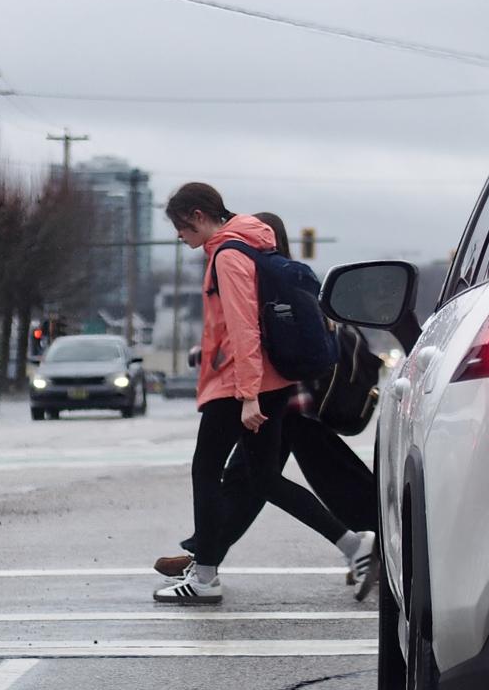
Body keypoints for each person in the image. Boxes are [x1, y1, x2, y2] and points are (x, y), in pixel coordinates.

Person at [154, 184, 376, 606]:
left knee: (206, 471)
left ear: (198, 215)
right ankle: (354, 544)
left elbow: (244, 328)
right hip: (266, 383)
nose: (180, 236)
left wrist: (248, 395)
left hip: (239, 387)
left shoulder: (228, 254)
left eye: (181, 227)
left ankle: (204, 577)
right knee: (264, 479)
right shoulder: (250, 245)